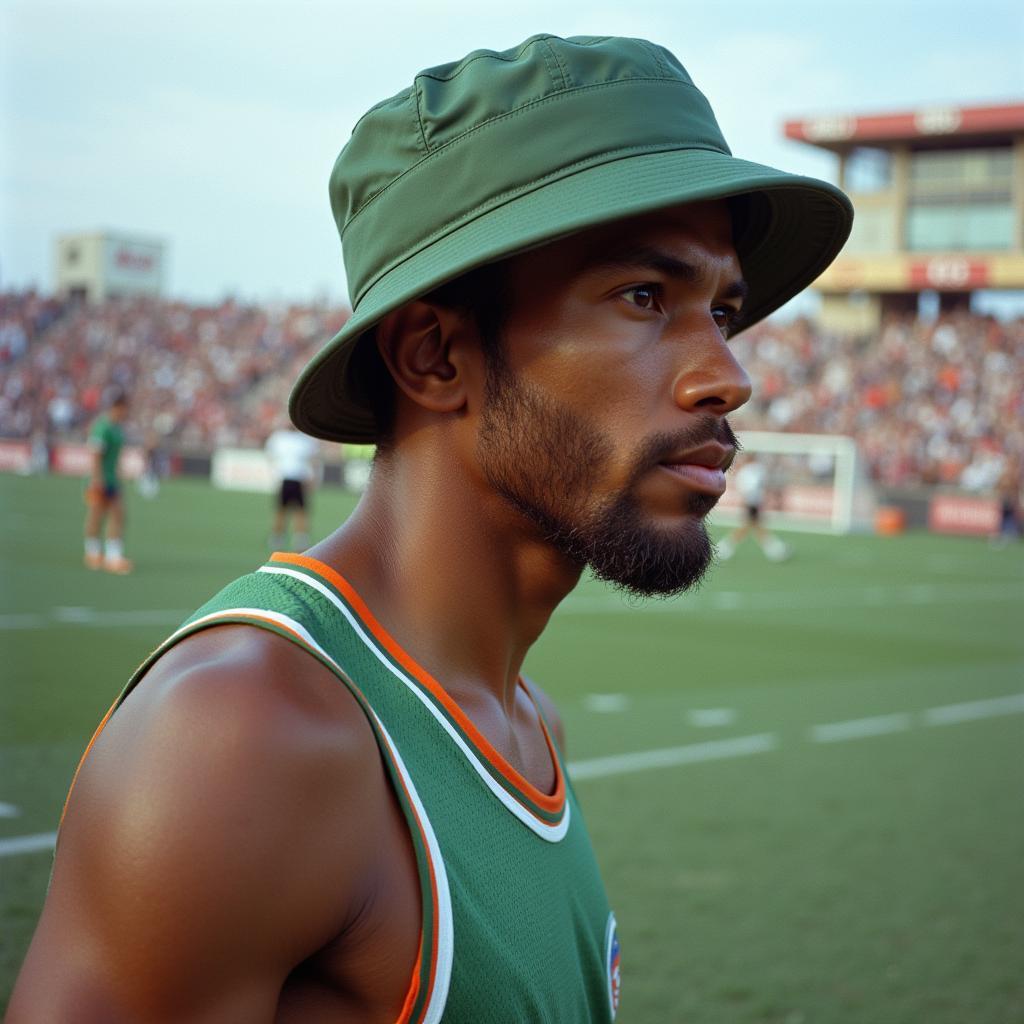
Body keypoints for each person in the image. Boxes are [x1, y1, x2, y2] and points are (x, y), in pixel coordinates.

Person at [10, 35, 851, 1022]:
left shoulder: (530, 722)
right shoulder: (246, 742)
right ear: (434, 357)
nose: (729, 373)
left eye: (724, 308)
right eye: (644, 297)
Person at [82, 389, 133, 574]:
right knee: (96, 515)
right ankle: (93, 553)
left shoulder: (116, 428)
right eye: (125, 409)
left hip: (112, 479)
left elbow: (115, 455)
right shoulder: (102, 427)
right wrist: (98, 480)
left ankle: (113, 557)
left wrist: (119, 472)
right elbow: (96, 455)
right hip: (100, 479)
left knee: (118, 515)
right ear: (117, 407)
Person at [716, 454, 791, 561]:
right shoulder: (752, 470)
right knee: (751, 526)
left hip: (752, 502)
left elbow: (747, 488)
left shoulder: (748, 471)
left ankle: (774, 548)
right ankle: (774, 549)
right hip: (752, 502)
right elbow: (754, 488)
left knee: (753, 526)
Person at [265, 422, 320, 551]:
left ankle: (300, 539)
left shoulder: (305, 439)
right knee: (281, 510)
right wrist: (275, 472)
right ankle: (277, 537)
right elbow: (270, 455)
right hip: (285, 478)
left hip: (300, 479)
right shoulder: (279, 437)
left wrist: (313, 477)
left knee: (300, 511)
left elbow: (313, 459)